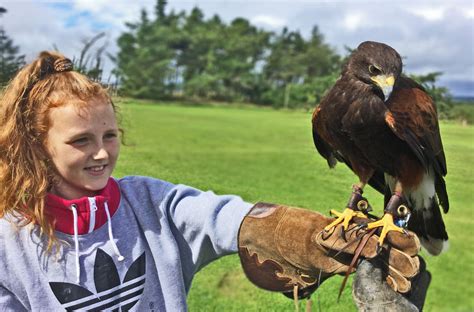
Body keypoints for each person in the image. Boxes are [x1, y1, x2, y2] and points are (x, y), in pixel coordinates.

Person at [0, 51, 422, 311]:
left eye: (110, 135)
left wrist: (309, 239)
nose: (101, 152)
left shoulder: (148, 203)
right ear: (36, 145)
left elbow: (228, 218)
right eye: (80, 140)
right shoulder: (8, 244)